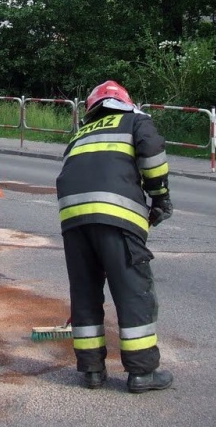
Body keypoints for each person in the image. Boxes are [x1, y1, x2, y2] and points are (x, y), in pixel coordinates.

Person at [55, 80, 174, 393]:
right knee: (133, 291)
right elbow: (151, 155)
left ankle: (92, 370)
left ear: (92, 108)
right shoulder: (136, 121)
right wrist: (160, 198)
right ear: (125, 102)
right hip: (117, 219)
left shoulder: (80, 133)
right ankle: (142, 373)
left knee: (85, 293)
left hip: (73, 221)